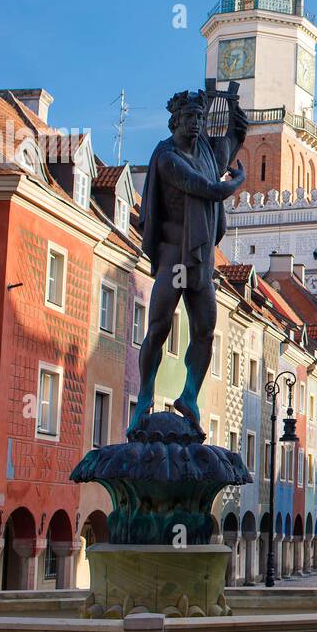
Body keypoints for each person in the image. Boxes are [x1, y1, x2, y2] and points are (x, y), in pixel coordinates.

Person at [128, 89, 247, 436]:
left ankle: (189, 396)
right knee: (159, 326)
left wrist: (233, 106)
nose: (197, 124)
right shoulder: (167, 157)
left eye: (201, 118)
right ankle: (146, 394)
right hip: (173, 254)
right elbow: (206, 187)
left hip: (200, 259)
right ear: (176, 121)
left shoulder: (208, 151)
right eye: (190, 118)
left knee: (205, 330)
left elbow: (234, 136)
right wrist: (236, 181)